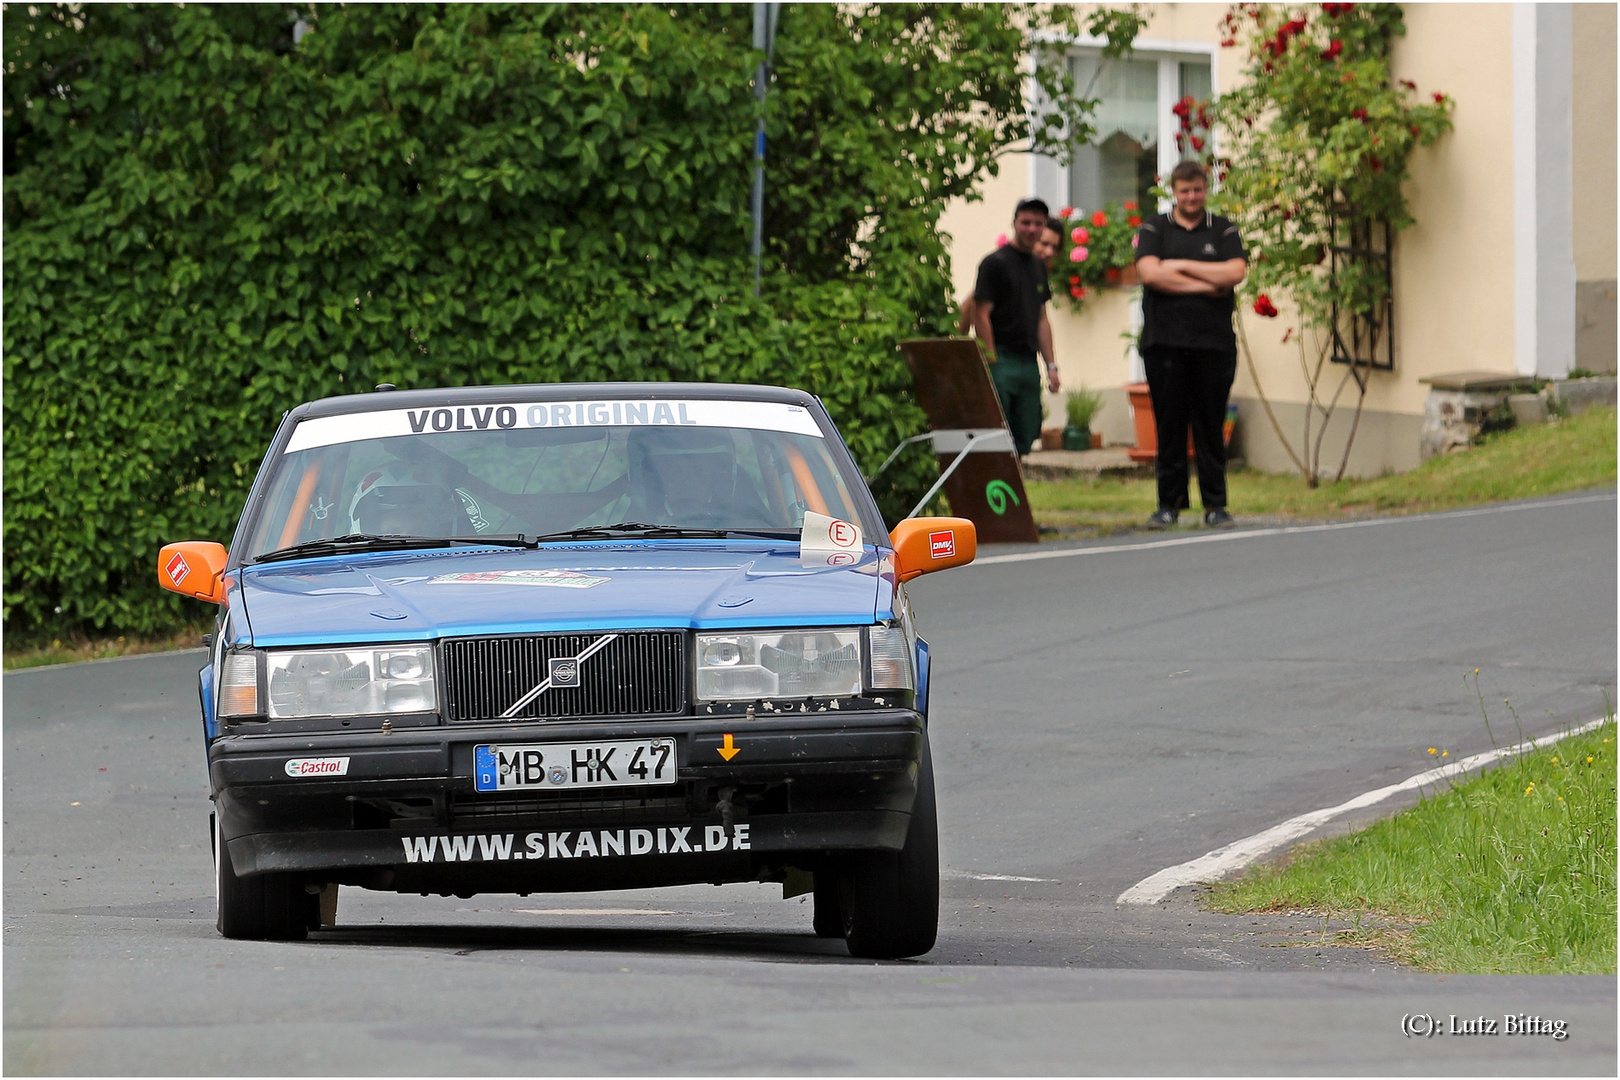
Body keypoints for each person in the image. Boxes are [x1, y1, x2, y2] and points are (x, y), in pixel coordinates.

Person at [1133, 161, 1248, 529]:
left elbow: (1235, 272)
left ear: (1205, 188)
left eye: (1197, 189)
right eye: (1184, 190)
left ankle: (1216, 506)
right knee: (1169, 426)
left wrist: (1179, 265)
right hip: (1164, 344)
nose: (1192, 197)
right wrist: (1205, 284)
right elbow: (1151, 273)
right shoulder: (1155, 227)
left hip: (1213, 345)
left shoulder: (1224, 228)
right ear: (1174, 191)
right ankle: (1168, 505)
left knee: (1210, 426)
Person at [969, 197, 1062, 456]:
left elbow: (1042, 318)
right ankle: (997, 489)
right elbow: (981, 313)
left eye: (1037, 224)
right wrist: (991, 358)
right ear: (1015, 223)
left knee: (1028, 429)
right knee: (997, 430)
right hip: (1002, 358)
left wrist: (1051, 365)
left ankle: (1016, 487)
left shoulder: (1038, 267)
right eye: (1026, 222)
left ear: (1044, 226)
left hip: (1028, 362)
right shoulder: (994, 263)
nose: (1031, 229)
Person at [958, 217, 1064, 335]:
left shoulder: (1037, 275)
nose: (1050, 252)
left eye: (1055, 247)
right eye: (1044, 244)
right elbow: (970, 308)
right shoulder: (1004, 269)